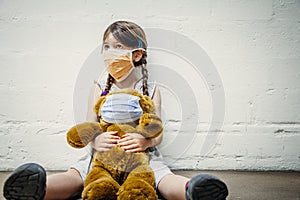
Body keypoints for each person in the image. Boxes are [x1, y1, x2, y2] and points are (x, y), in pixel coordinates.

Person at [3, 21, 228, 200]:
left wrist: (145, 142)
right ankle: (37, 189)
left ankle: (193, 190)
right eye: (107, 47)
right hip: (102, 157)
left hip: (143, 157)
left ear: (137, 55)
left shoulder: (151, 89)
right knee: (76, 176)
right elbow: (89, 127)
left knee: (163, 180)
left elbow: (157, 132)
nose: (110, 53)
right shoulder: (99, 87)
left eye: (118, 47)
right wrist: (96, 140)